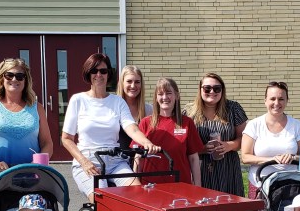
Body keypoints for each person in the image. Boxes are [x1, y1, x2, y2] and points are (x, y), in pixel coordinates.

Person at [61, 53, 159, 203]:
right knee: (104, 201)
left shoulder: (117, 101)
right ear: (88, 74)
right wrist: (84, 161)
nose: (99, 75)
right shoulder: (78, 100)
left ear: (108, 74)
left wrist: (147, 143)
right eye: (94, 71)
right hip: (89, 159)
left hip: (115, 161)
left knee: (138, 195)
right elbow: (66, 139)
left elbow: (131, 128)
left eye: (103, 71)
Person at [0, 58, 53, 178]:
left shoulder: (37, 108)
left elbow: (47, 143)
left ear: (25, 80)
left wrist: (38, 165)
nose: (14, 79)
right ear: (2, 78)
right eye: (9, 75)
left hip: (32, 176)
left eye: (19, 76)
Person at [241, 81, 300, 199]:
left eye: (281, 99)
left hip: (290, 185)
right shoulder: (254, 125)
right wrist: (271, 159)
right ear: (265, 101)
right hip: (260, 184)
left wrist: (292, 157)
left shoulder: (296, 125)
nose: (276, 103)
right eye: (272, 99)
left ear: (287, 101)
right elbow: (245, 157)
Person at [186, 72, 248, 196]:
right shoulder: (188, 112)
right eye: (207, 88)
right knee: (203, 206)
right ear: (200, 89)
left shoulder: (233, 108)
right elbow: (184, 145)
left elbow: (245, 139)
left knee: (230, 208)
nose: (212, 91)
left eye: (217, 88)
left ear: (222, 90)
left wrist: (228, 145)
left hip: (228, 168)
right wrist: (201, 149)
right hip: (201, 168)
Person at [135, 78, 203, 185]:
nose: (165, 97)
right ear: (156, 98)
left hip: (180, 185)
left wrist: (198, 186)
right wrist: (136, 185)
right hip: (150, 186)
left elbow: (194, 158)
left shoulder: (187, 123)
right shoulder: (145, 123)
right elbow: (138, 158)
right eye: (160, 94)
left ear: (177, 96)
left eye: (169, 93)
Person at [116, 65, 152, 150]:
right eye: (129, 81)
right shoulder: (113, 108)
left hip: (142, 160)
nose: (133, 86)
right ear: (122, 83)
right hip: (117, 161)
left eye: (137, 82)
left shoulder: (149, 110)